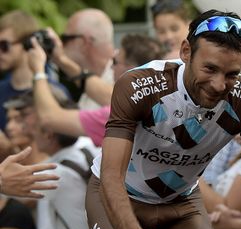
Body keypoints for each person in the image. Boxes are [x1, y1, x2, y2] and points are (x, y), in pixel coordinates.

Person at [86, 9, 241, 229]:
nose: (219, 84)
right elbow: (111, 175)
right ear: (186, 51)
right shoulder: (139, 85)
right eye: (210, 69)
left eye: (232, 74)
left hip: (180, 203)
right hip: (121, 194)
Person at [33, 33, 164, 146]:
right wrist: (60, 59)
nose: (111, 68)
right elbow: (107, 95)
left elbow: (49, 118)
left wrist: (38, 70)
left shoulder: (117, 116)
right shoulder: (163, 103)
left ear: (130, 70)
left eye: (114, 62)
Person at [62, 8, 115, 109]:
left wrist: (61, 60)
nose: (61, 45)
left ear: (84, 43)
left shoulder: (127, 75)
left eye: (65, 39)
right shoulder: (93, 79)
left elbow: (121, 104)